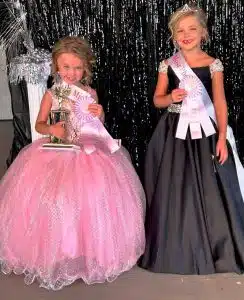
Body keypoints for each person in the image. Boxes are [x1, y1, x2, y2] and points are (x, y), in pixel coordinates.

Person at [0, 36, 145, 290]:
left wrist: (100, 113)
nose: (71, 73)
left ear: (86, 68)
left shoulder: (89, 92)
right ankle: (58, 251)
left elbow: (96, 124)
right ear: (57, 67)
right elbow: (39, 124)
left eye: (77, 68)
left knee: (93, 196)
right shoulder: (52, 93)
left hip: (87, 147)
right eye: (66, 67)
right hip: (57, 149)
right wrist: (52, 127)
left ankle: (92, 248)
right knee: (57, 197)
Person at [139, 4, 244, 275]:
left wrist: (222, 137)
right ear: (174, 36)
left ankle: (218, 250)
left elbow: (220, 102)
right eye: (180, 31)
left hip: (207, 133)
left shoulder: (213, 65)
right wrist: (169, 98)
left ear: (203, 33)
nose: (186, 35)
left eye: (192, 29)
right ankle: (176, 248)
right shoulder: (168, 65)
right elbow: (157, 99)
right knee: (174, 187)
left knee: (212, 187)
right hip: (174, 133)